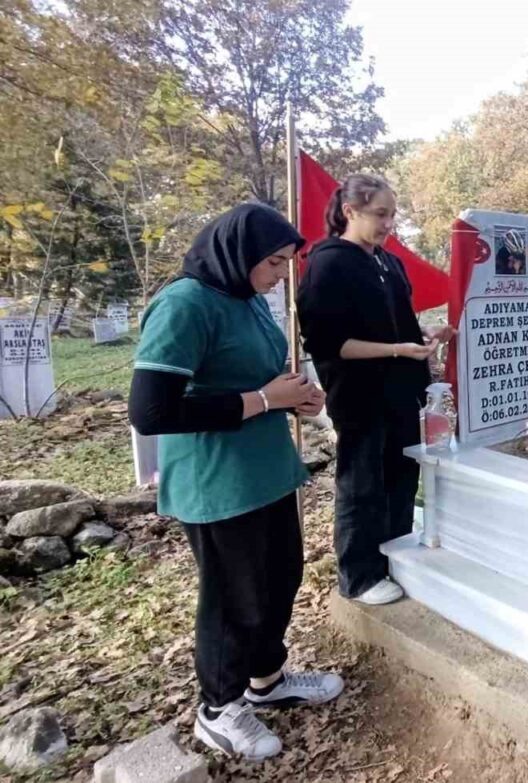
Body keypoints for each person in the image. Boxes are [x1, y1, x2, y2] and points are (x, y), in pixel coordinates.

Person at [129, 203, 343, 762]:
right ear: (237, 254)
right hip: (216, 479)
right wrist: (269, 399)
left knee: (279, 578)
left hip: (266, 470)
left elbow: (258, 378)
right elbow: (151, 412)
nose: (278, 276)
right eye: (272, 263)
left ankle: (266, 680)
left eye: (284, 265)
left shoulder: (245, 301)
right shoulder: (185, 304)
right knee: (233, 597)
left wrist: (295, 396)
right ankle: (218, 708)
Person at [297, 174, 453, 607]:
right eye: (380, 214)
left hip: (403, 391)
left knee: (402, 478)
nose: (388, 224)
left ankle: (396, 556)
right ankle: (360, 574)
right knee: (363, 484)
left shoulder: (389, 263)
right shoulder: (327, 264)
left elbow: (395, 324)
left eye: (391, 215)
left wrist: (421, 335)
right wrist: (398, 349)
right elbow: (332, 343)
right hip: (361, 396)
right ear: (351, 212)